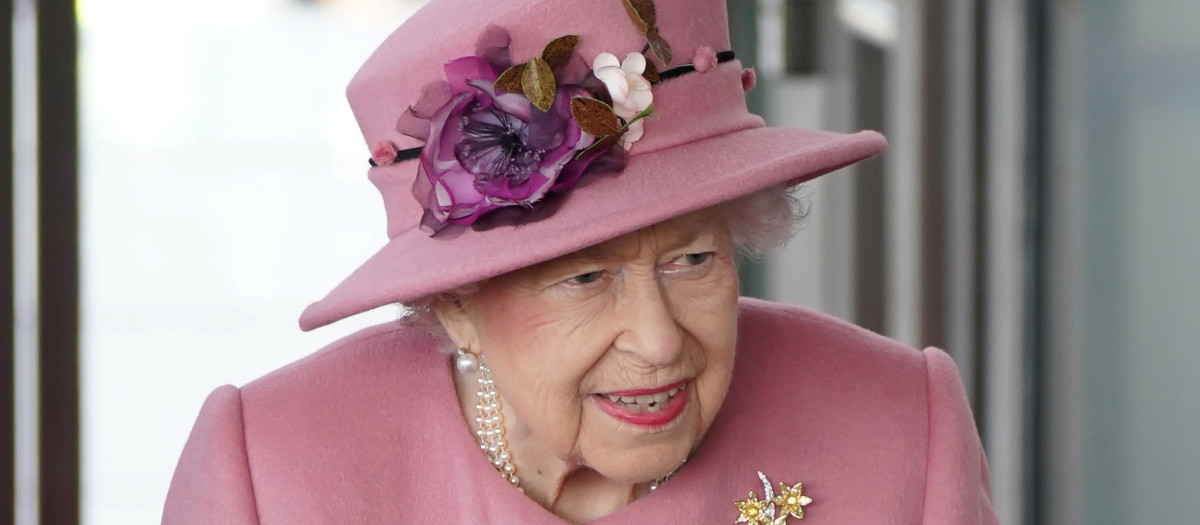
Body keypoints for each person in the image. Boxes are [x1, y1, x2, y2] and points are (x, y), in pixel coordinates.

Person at [163, 0, 998, 523]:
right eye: (585, 276)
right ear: (456, 303)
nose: (659, 341)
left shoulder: (898, 427)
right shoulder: (272, 476)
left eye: (694, 256)